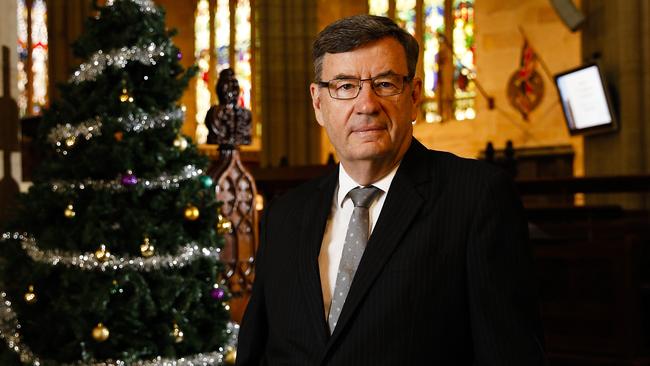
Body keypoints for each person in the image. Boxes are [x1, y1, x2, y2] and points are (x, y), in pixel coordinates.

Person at [236, 14, 546, 365]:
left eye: (384, 84)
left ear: (414, 97)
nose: (366, 105)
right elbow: (257, 351)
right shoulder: (284, 215)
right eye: (345, 86)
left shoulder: (476, 198)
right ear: (319, 103)